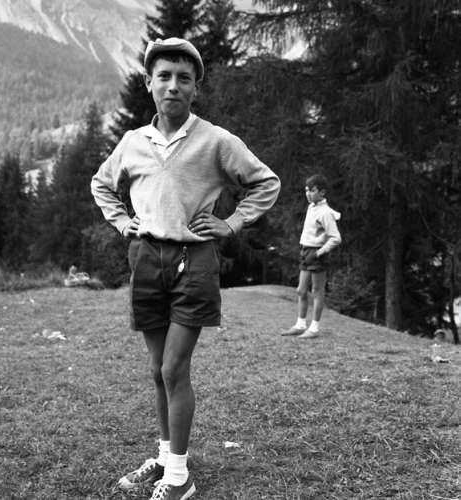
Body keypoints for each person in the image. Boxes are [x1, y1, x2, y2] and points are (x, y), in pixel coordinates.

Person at [91, 37, 280, 500]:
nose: (173, 86)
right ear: (149, 83)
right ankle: (165, 456)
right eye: (164, 77)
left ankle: (179, 477)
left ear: (196, 88)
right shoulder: (133, 142)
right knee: (158, 370)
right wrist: (123, 222)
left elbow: (266, 182)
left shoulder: (215, 140)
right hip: (145, 259)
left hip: (193, 262)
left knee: (175, 368)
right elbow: (101, 184)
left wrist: (231, 223)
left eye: (184, 78)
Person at [281, 174, 341, 339]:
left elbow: (336, 238)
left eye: (312, 191)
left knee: (317, 291)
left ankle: (314, 329)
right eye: (306, 190)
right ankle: (300, 325)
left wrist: (319, 253)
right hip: (305, 252)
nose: (308, 194)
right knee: (301, 290)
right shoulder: (311, 207)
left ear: (322, 192)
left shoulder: (325, 213)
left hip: (317, 254)